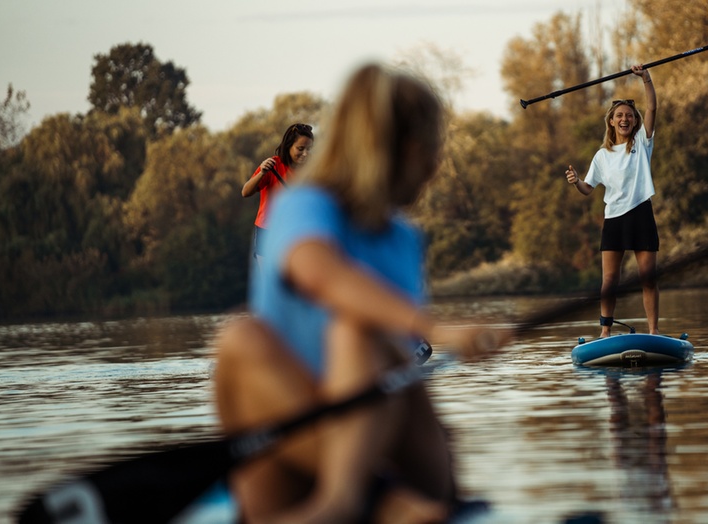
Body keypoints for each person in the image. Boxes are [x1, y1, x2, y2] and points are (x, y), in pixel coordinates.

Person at [214, 63, 510, 524]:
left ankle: (359, 498)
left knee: (360, 336)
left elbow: (398, 366)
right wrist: (438, 329)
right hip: (292, 461)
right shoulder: (303, 206)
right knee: (241, 338)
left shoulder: (403, 238)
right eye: (432, 152)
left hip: (396, 450)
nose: (435, 169)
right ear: (409, 153)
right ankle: (361, 502)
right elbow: (320, 273)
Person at [566, 64, 659, 338]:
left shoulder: (642, 143)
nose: (624, 119)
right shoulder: (602, 155)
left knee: (648, 279)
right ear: (611, 121)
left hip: (641, 213)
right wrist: (576, 182)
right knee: (609, 281)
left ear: (635, 121)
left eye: (629, 115)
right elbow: (588, 188)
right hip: (614, 219)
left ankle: (654, 332)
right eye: (619, 115)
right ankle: (605, 333)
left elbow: (652, 108)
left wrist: (646, 78)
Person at [242, 123, 314, 267]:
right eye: (300, 149)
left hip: (297, 232)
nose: (305, 153)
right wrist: (262, 172)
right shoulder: (273, 165)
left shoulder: (312, 169)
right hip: (267, 231)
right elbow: (246, 192)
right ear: (288, 147)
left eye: (309, 149)